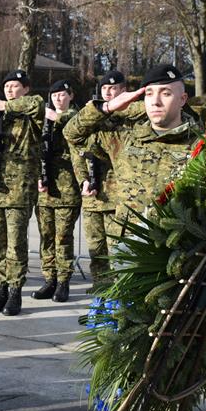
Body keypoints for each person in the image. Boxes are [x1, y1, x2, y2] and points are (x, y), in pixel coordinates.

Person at [64, 64, 198, 229]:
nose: (155, 102)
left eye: (166, 93)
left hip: (174, 246)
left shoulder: (201, 146)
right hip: (126, 245)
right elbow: (71, 134)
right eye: (149, 94)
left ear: (182, 99)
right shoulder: (126, 138)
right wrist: (107, 107)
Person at [64, 70, 146, 291]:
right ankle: (100, 286)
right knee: (96, 247)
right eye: (105, 89)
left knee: (116, 247)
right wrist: (82, 180)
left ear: (124, 90)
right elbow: (76, 150)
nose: (109, 92)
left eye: (114, 88)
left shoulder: (132, 114)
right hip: (92, 196)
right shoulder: (92, 117)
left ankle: (115, 290)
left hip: (116, 197)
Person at [0, 69, 44, 316]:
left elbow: (37, 105)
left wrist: (5, 106)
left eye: (15, 86)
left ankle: (15, 291)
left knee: (16, 245)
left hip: (18, 192)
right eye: (7, 87)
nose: (10, 90)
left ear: (25, 89)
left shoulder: (30, 116)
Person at [31, 80, 82, 302]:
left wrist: (56, 119)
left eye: (62, 95)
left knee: (63, 238)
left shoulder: (76, 117)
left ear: (71, 95)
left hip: (67, 190)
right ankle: (49, 278)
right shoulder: (44, 120)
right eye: (54, 96)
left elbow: (76, 132)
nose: (58, 99)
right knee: (46, 237)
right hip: (45, 190)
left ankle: (63, 281)